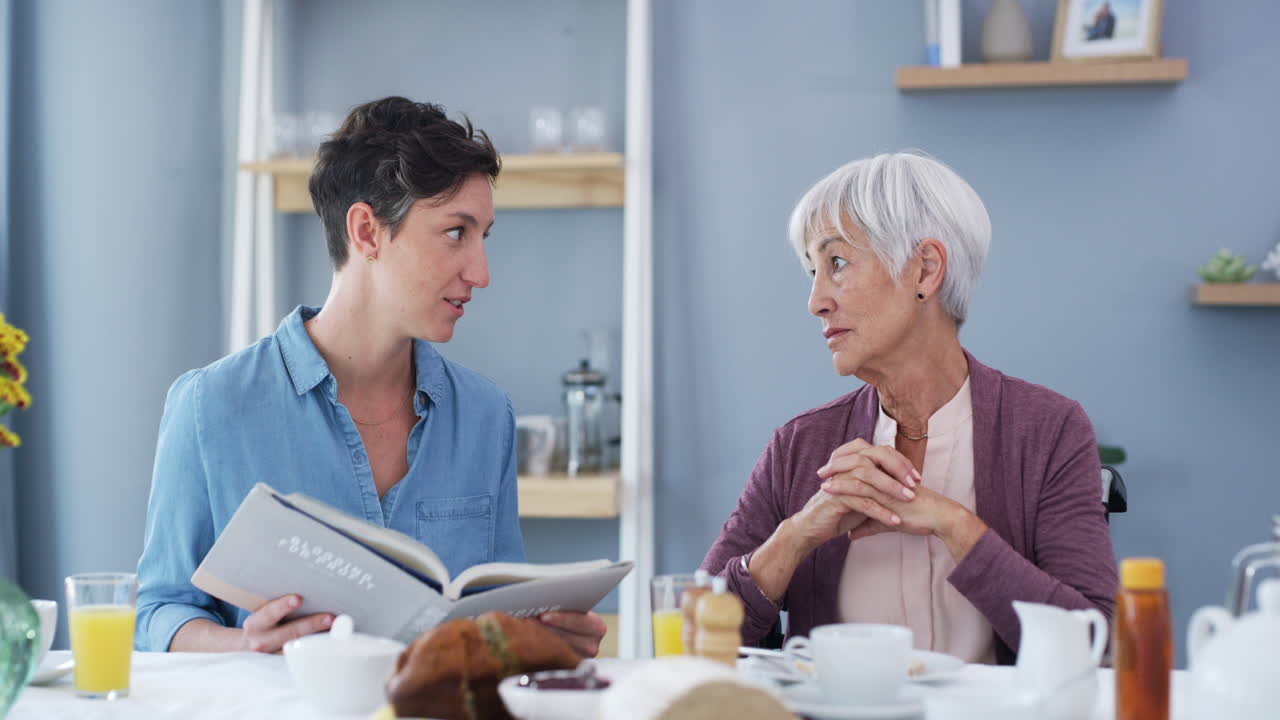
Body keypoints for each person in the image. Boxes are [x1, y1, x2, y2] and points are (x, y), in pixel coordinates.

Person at [135, 97, 606, 656]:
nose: (480, 273)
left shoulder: (486, 415)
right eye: (456, 232)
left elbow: (498, 614)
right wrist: (241, 645)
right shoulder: (210, 406)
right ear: (366, 233)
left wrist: (541, 637)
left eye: (484, 236)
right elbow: (158, 614)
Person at [701, 152, 1118, 664]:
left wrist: (956, 527)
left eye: (836, 263)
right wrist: (798, 534)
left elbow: (1096, 649)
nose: (815, 301)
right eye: (812, 271)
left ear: (925, 268)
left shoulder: (1048, 430)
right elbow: (695, 632)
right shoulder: (799, 445)